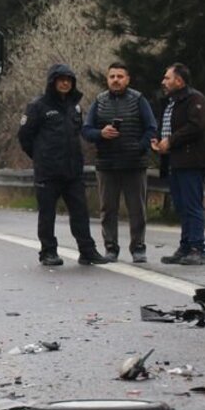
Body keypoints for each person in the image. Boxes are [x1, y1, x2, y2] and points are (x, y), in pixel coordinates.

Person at [18, 63, 108, 266]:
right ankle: (48, 252)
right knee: (47, 214)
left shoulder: (75, 106)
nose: (65, 83)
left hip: (73, 170)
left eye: (69, 80)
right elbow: (24, 136)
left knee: (80, 212)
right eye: (61, 80)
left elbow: (78, 133)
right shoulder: (38, 106)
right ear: (53, 82)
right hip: (48, 172)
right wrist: (41, 157)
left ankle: (87, 251)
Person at [82, 63, 158, 263]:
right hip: (107, 164)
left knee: (137, 209)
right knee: (108, 209)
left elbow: (151, 127)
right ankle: (110, 247)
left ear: (128, 79)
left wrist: (140, 147)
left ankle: (138, 247)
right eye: (112, 76)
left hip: (134, 164)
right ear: (107, 79)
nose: (116, 80)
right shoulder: (99, 101)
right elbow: (86, 130)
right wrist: (101, 133)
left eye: (120, 76)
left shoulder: (139, 100)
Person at [150, 62, 205, 265]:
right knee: (181, 206)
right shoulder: (171, 102)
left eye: (167, 78)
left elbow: (195, 126)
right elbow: (169, 126)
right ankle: (186, 245)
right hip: (174, 160)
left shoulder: (195, 99)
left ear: (179, 80)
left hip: (192, 160)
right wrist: (159, 140)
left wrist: (170, 140)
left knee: (192, 205)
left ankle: (198, 248)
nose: (164, 82)